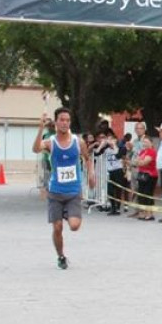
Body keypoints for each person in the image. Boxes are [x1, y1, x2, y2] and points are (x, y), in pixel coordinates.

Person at [32, 107, 95, 270]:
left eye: (67, 120)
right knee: (57, 227)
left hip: (73, 191)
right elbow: (35, 149)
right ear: (56, 122)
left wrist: (91, 175)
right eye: (62, 120)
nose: (65, 123)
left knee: (74, 226)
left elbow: (87, 159)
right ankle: (61, 256)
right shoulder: (50, 142)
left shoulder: (78, 142)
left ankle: (67, 213)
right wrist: (40, 128)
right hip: (55, 192)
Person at [133, 137, 159, 221]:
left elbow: (144, 162)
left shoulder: (152, 152)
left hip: (150, 175)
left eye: (147, 142)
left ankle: (149, 214)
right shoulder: (142, 151)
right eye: (144, 142)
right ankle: (143, 212)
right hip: (142, 175)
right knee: (141, 194)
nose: (145, 144)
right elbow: (135, 162)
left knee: (148, 194)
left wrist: (139, 161)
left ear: (151, 143)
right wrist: (139, 162)